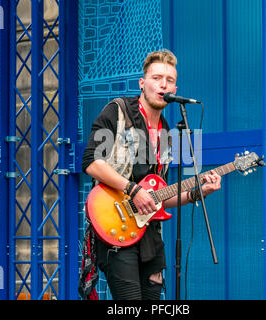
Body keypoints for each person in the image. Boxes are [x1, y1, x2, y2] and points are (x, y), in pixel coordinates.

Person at [79, 49, 222, 300]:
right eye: (156, 78)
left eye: (169, 80)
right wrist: (133, 190)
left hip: (150, 235)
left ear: (175, 88)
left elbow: (159, 198)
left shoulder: (168, 130)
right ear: (142, 84)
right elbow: (92, 163)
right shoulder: (118, 110)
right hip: (116, 225)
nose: (163, 84)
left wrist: (198, 193)